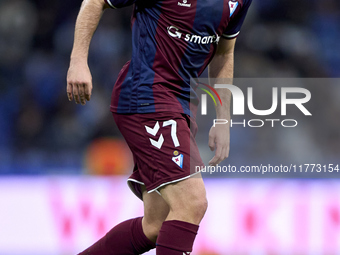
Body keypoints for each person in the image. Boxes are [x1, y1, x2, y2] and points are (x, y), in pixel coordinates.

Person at [66, 0, 252, 253]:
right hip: (147, 95)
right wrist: (78, 60)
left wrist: (223, 118)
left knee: (155, 225)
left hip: (183, 104)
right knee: (192, 203)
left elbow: (224, 51)